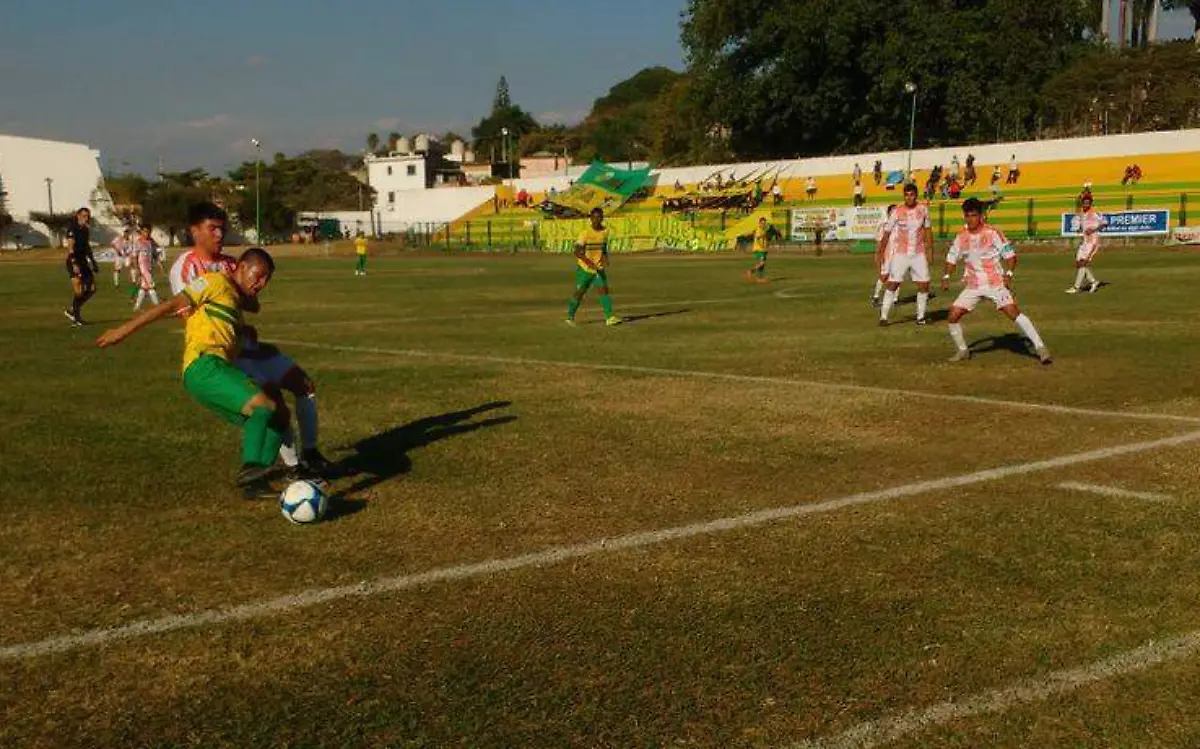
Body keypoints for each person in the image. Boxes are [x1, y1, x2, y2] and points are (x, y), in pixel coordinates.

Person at [97, 248, 287, 497]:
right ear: (241, 267)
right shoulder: (215, 282)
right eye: (258, 276)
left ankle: (256, 484)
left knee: (278, 418)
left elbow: (253, 308)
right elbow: (171, 304)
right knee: (262, 407)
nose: (262, 284)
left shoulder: (233, 303)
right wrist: (123, 331)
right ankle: (251, 469)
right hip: (205, 365)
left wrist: (245, 333)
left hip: (216, 371)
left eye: (266, 280)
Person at [170, 202, 331, 476]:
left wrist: (246, 301)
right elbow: (188, 313)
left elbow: (251, 302)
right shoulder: (186, 267)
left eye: (222, 229)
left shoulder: (232, 263)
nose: (219, 235)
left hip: (249, 346)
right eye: (213, 229)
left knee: (304, 384)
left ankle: (312, 454)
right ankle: (295, 467)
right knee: (273, 405)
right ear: (194, 231)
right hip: (226, 353)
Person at [941, 198, 1051, 365]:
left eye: (973, 215)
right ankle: (963, 351)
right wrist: (946, 277)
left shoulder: (993, 233)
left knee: (1013, 312)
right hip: (973, 285)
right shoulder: (961, 237)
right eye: (967, 216)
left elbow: (1011, 256)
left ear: (981, 216)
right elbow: (951, 259)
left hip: (994, 283)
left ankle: (1041, 348)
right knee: (953, 316)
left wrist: (1008, 274)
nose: (970, 219)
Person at [876, 183, 933, 326]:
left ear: (916, 195)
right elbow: (887, 233)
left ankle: (920, 317)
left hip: (918, 253)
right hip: (901, 254)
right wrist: (880, 252)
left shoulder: (923, 210)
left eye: (912, 194)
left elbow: (928, 230)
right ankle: (883, 317)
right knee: (893, 283)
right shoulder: (897, 211)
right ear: (904, 196)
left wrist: (930, 249)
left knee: (924, 285)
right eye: (907, 195)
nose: (909, 197)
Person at [565, 207, 620, 327]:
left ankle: (609, 317)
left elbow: (603, 248)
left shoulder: (605, 232)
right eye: (594, 217)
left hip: (598, 268)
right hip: (584, 268)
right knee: (580, 292)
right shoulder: (585, 233)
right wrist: (588, 262)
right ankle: (570, 316)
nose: (597, 220)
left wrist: (605, 259)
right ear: (590, 218)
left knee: (603, 290)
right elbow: (577, 251)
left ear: (602, 218)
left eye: (599, 217)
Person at [64, 207, 99, 326]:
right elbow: (70, 247)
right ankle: (75, 317)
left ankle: (72, 310)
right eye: (84, 216)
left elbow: (87, 247)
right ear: (78, 216)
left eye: (88, 216)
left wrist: (93, 261)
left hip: (83, 262)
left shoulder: (85, 230)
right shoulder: (72, 228)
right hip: (74, 262)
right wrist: (74, 263)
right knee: (78, 291)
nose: (86, 218)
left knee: (92, 288)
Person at [1066, 193, 1106, 294]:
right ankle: (1094, 282)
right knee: (1079, 264)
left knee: (1083, 262)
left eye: (1088, 203)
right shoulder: (1082, 213)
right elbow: (1081, 222)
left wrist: (1093, 230)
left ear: (1091, 204)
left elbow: (1104, 223)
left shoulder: (1095, 212)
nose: (1086, 205)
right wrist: (1080, 229)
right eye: (1084, 203)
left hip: (1092, 242)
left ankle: (1076, 287)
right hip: (1085, 242)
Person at [871, 204, 898, 307]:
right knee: (884, 275)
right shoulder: (885, 225)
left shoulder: (900, 224)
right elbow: (880, 241)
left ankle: (894, 299)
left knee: (897, 276)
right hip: (888, 254)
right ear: (889, 213)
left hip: (898, 254)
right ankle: (876, 297)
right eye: (893, 211)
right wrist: (880, 254)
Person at [131, 224, 163, 311]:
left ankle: (136, 307)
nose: (147, 233)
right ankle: (158, 306)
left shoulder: (150, 242)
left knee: (144, 287)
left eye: (149, 231)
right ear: (141, 231)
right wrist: (137, 268)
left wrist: (159, 263)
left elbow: (154, 254)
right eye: (145, 231)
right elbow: (134, 256)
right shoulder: (138, 242)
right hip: (143, 267)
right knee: (151, 286)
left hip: (149, 267)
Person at [744, 216, 775, 283]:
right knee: (762, 263)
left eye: (764, 223)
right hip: (759, 249)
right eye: (762, 223)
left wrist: (766, 245)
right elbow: (757, 239)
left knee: (762, 265)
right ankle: (750, 271)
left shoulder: (763, 230)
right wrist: (762, 247)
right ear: (759, 223)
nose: (763, 224)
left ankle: (760, 278)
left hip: (762, 249)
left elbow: (763, 239)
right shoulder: (759, 230)